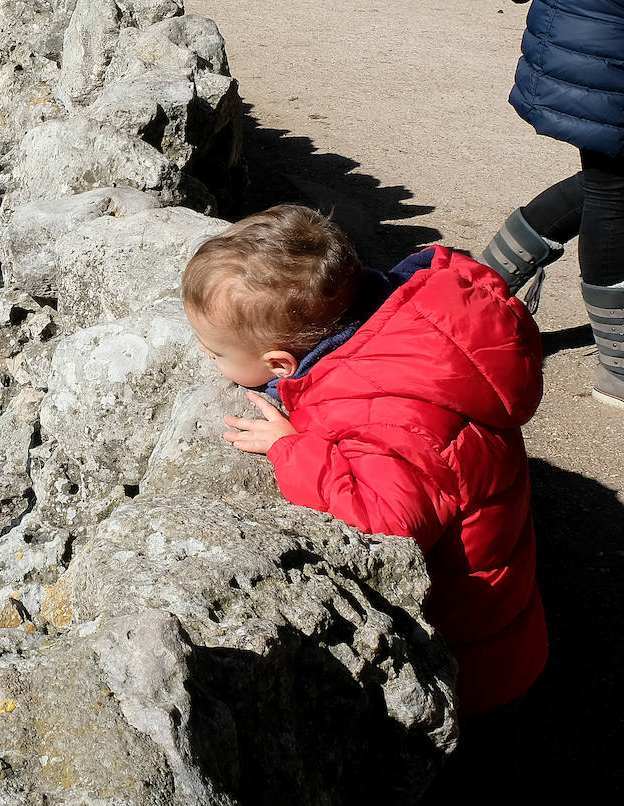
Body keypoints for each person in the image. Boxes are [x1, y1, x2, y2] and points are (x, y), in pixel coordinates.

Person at [182, 205, 549, 716]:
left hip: (470, 654)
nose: (208, 360)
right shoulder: (405, 319)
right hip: (504, 609)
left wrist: (293, 447)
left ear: (280, 363)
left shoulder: (384, 416)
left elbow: (388, 521)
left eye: (215, 353)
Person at [478, 0, 624, 409]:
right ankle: (619, 369)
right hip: (605, 37)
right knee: (612, 184)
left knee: (607, 181)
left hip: (589, 31)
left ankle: (476, 291)